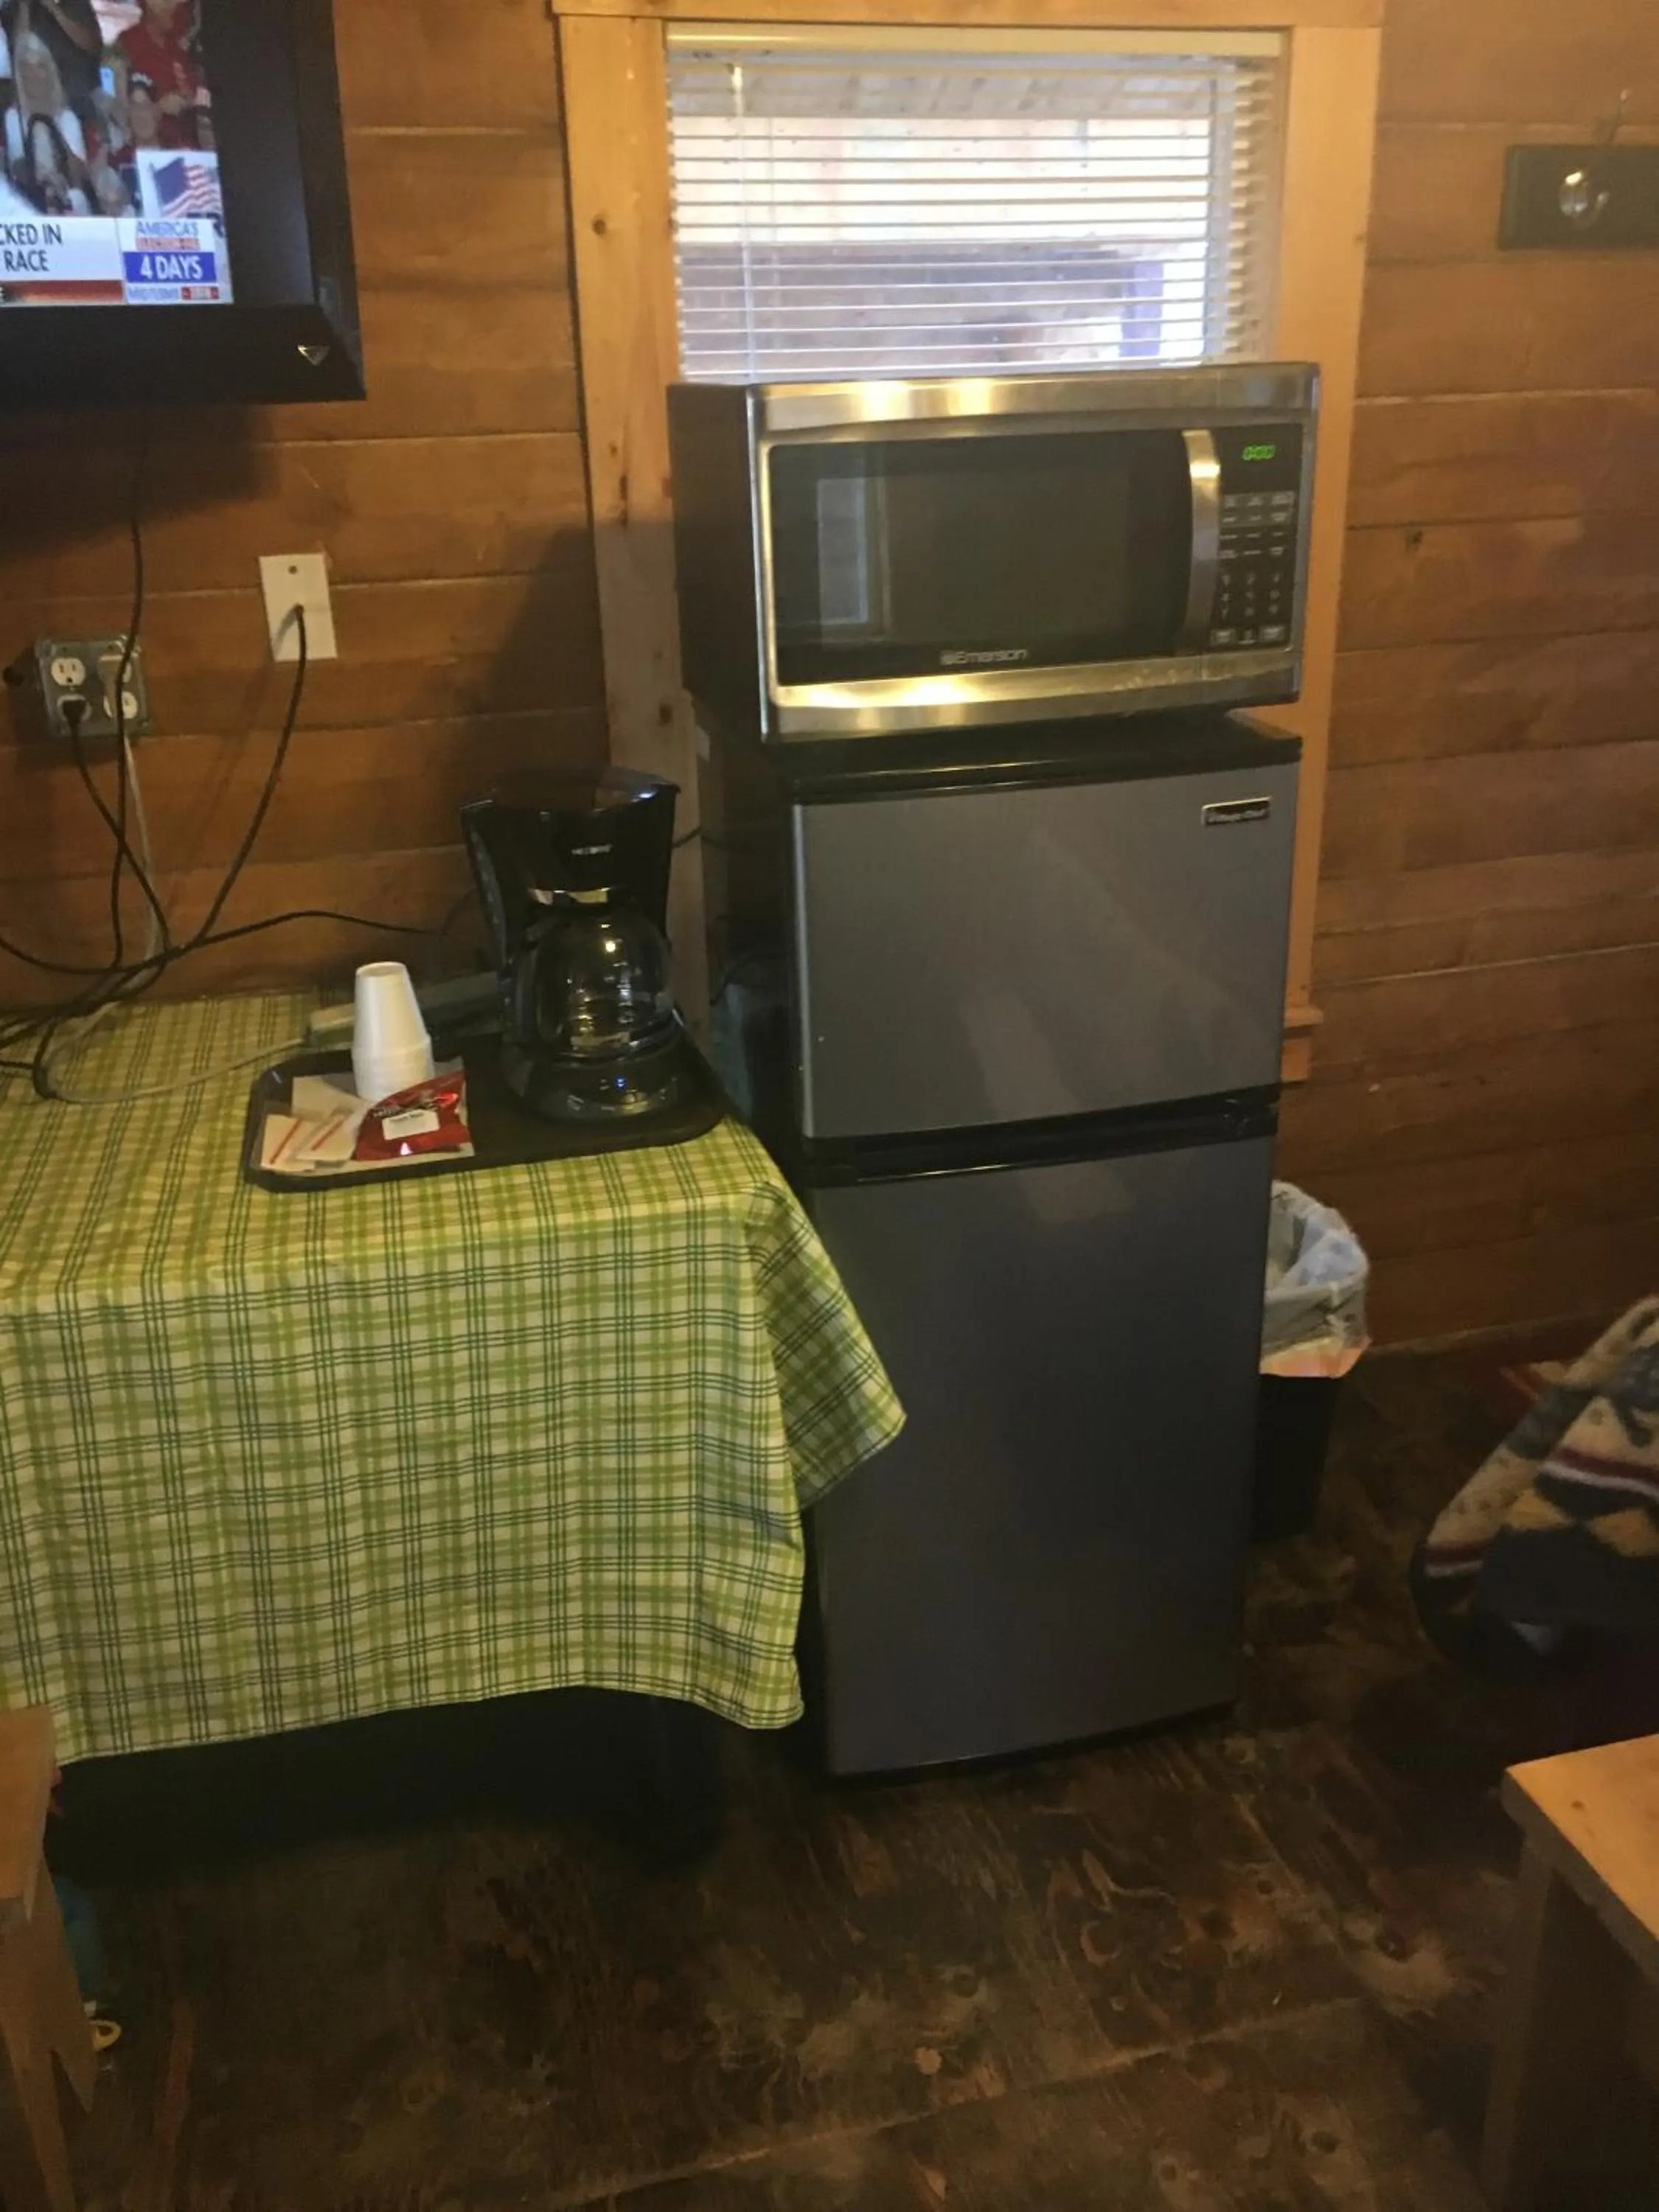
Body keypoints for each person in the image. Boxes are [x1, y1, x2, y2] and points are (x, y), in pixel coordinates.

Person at [0, 0, 102, 129]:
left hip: (76, 88)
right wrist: (24, 8)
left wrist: (53, 8)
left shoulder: (76, 4)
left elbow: (91, 44)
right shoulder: (13, 8)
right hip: (36, 95)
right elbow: (19, 50)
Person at [116, 0, 198, 149]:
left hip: (188, 149)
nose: (178, 8)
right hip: (150, 153)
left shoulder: (178, 51)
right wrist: (159, 108)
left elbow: (194, 93)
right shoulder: (127, 46)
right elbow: (122, 111)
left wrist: (188, 99)